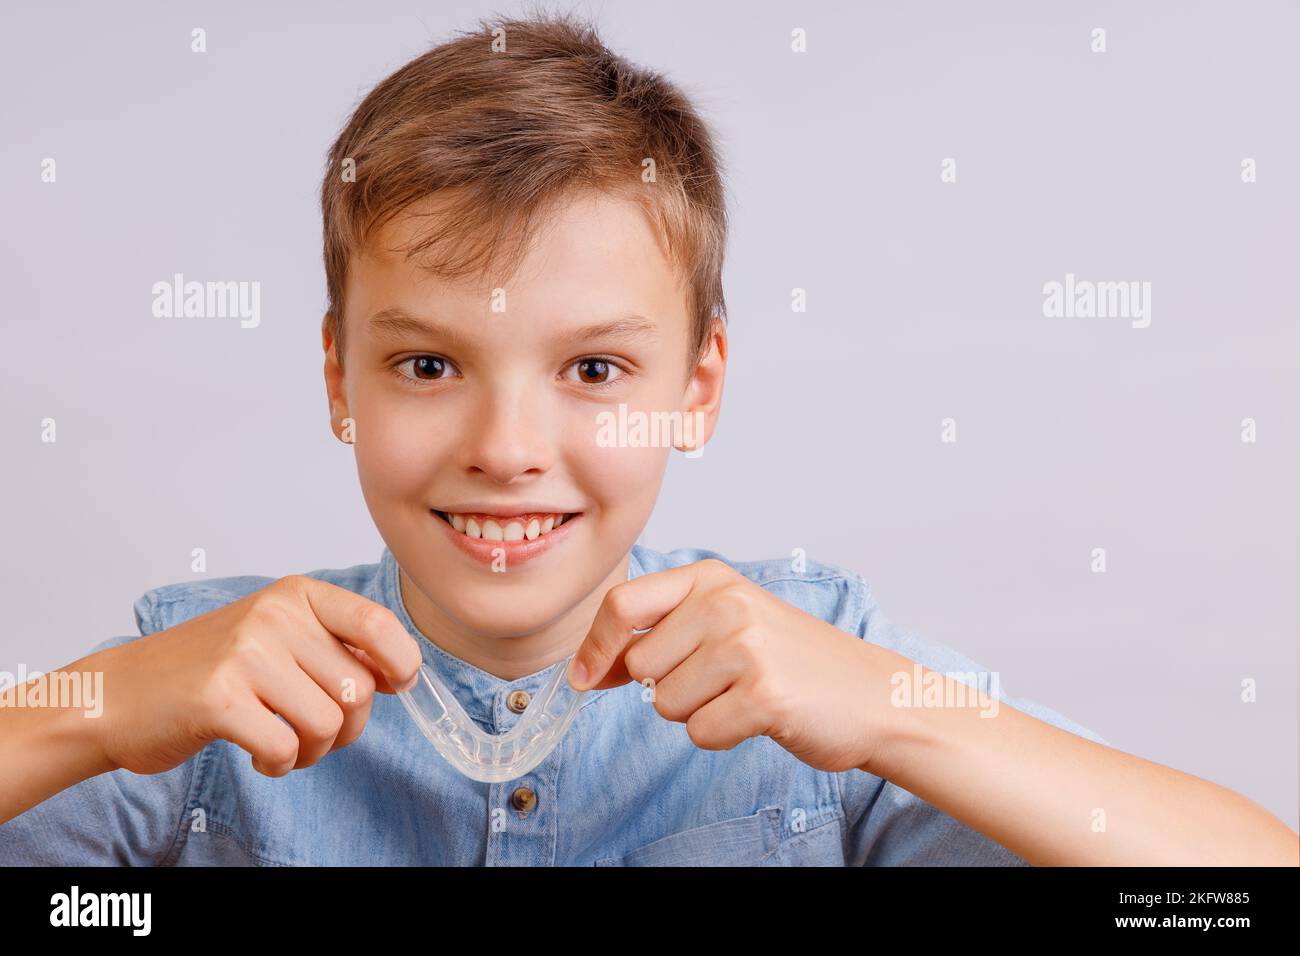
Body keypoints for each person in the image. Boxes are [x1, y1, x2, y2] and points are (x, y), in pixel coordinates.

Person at [1, 12, 1295, 866]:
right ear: (340, 376)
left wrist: (899, 722)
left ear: (699, 384)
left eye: (596, 368)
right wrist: (96, 711)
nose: (509, 446)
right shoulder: (198, 701)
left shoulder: (821, 667)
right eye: (429, 363)